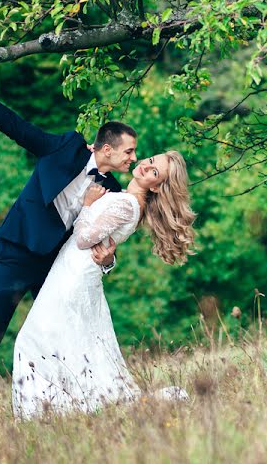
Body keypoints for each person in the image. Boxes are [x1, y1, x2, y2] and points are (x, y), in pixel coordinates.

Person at [0, 74, 138, 426]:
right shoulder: (65, 146)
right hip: (16, 253)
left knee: (64, 331)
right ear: (106, 149)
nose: (133, 158)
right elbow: (18, 128)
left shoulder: (113, 188)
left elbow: (99, 239)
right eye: (129, 151)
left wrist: (108, 261)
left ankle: (69, 410)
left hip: (52, 265)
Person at [12, 151, 195, 419]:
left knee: (34, 339)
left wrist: (87, 205)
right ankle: (63, 410)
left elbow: (85, 238)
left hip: (73, 276)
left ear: (156, 186)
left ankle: (49, 413)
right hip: (72, 272)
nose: (146, 166)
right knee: (63, 343)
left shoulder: (128, 204)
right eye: (151, 161)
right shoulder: (126, 199)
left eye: (154, 172)